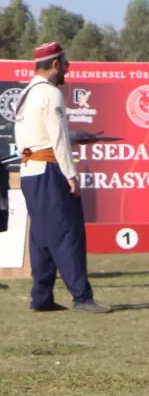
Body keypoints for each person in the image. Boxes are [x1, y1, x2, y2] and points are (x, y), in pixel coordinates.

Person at [14, 42, 108, 313]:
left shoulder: (27, 93)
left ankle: (41, 297)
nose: (68, 67)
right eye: (65, 63)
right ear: (55, 65)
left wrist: (75, 136)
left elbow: (40, 136)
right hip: (50, 171)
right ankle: (82, 297)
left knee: (42, 237)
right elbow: (57, 140)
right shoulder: (51, 94)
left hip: (31, 171)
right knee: (68, 233)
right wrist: (71, 174)